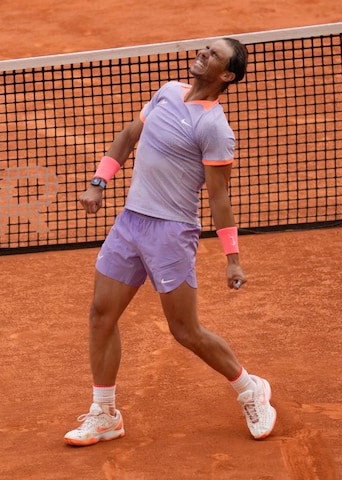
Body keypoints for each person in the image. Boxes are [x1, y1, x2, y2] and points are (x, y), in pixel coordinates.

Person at [64, 37, 276, 447]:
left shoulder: (214, 128)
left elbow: (218, 197)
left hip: (171, 233)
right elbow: (128, 136)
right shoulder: (167, 91)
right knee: (100, 314)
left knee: (185, 330)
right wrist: (98, 182)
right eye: (205, 48)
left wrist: (232, 259)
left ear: (226, 75)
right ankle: (105, 414)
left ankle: (251, 389)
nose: (203, 53)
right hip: (130, 223)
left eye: (214, 54)